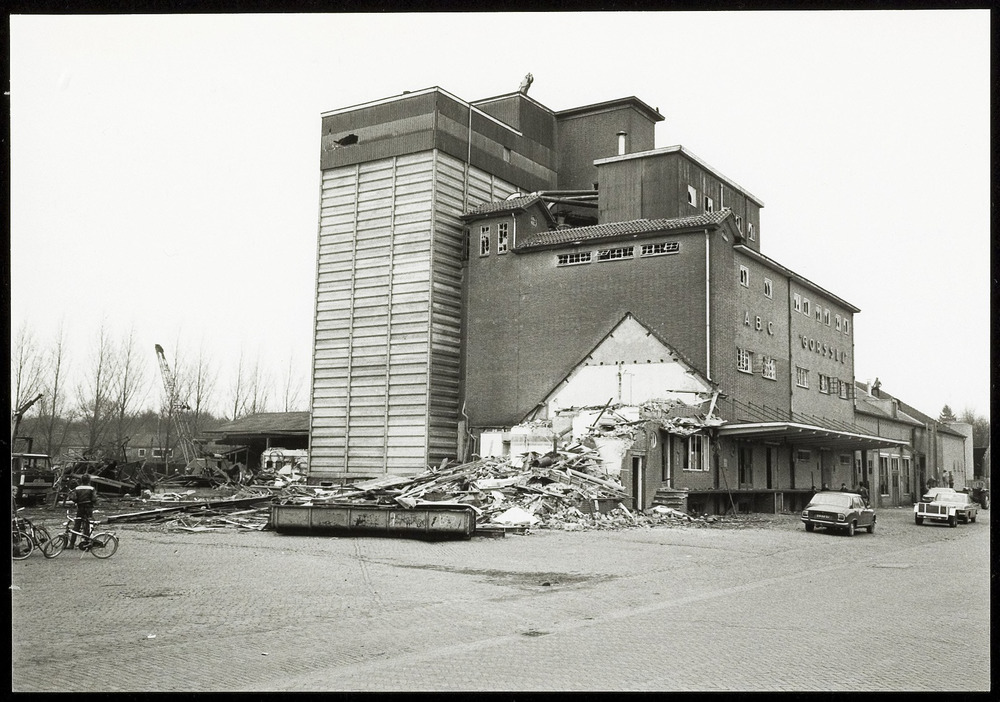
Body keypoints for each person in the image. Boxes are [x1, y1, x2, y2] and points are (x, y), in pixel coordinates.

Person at [69, 474, 98, 550]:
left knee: (76, 525)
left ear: (81, 480)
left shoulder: (77, 488)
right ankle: (87, 542)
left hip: (80, 508)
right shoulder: (91, 488)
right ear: (89, 480)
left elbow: (74, 498)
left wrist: (78, 501)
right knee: (87, 525)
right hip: (88, 508)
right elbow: (94, 499)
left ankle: (71, 544)